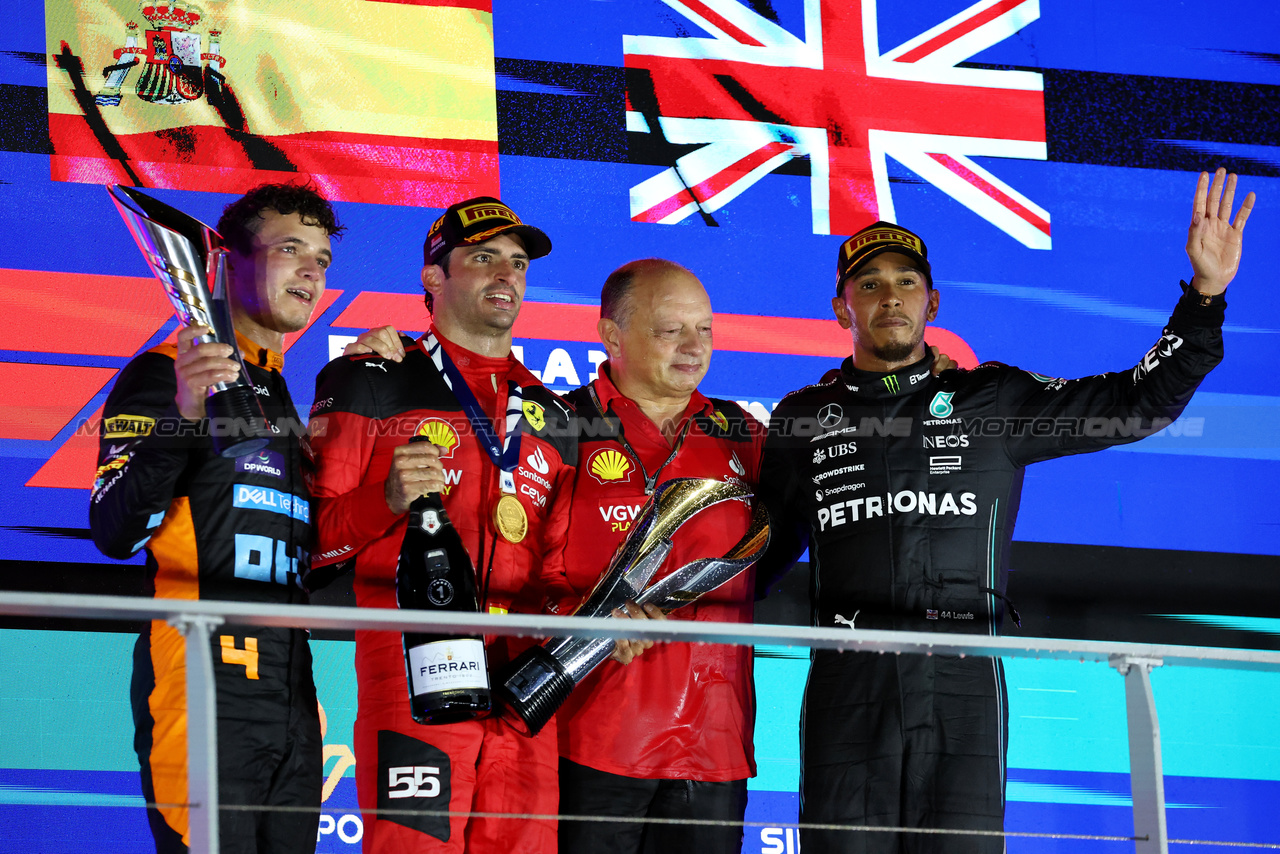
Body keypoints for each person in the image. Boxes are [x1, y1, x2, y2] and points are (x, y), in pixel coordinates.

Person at [755, 168, 1253, 852]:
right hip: (850, 680)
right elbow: (755, 553)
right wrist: (667, 617)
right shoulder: (803, 417)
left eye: (905, 283)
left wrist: (1204, 297)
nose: (889, 298)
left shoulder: (993, 399)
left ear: (934, 301)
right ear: (842, 308)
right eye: (868, 284)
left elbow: (1137, 404)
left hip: (963, 681)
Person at [303, 197, 576, 853]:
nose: (506, 276)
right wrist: (386, 500)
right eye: (483, 259)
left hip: (526, 691)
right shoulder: (370, 379)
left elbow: (562, 569)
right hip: (414, 675)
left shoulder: (554, 414)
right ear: (433, 277)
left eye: (516, 262)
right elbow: (308, 546)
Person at [90, 183, 344, 853]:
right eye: (291, 250)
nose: (311, 271)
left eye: (321, 258)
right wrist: (185, 413)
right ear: (227, 262)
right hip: (203, 689)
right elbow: (115, 531)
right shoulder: (164, 373)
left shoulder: (284, 396)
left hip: (293, 701)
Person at [553, 259, 764, 854]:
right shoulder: (560, 428)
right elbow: (517, 565)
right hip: (594, 735)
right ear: (612, 336)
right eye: (671, 330)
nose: (694, 347)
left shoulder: (742, 434)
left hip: (715, 744)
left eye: (705, 329)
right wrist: (585, 621)